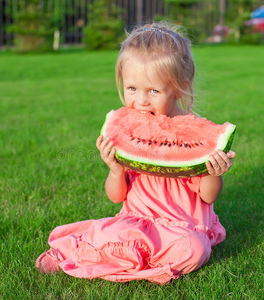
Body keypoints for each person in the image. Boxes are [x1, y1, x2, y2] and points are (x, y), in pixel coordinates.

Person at [35, 22, 236, 284]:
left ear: (177, 87)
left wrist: (213, 173)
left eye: (153, 91)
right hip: (136, 221)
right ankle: (77, 250)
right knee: (123, 232)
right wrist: (115, 169)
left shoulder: (193, 134)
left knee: (195, 249)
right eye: (132, 89)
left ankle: (117, 258)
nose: (140, 100)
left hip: (182, 228)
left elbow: (208, 197)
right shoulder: (130, 131)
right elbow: (116, 196)